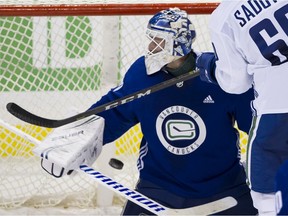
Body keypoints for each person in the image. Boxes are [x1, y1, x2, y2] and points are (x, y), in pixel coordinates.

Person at [40, 8, 257, 215]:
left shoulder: (220, 75)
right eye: (151, 39)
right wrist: (71, 143)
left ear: (179, 43)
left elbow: (258, 123)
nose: (152, 47)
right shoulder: (142, 75)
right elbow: (113, 111)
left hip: (224, 191)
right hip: (158, 190)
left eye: (159, 41)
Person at [196, 1, 288, 215]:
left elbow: (236, 83)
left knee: (267, 194)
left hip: (277, 108)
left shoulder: (224, 16)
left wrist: (211, 67)